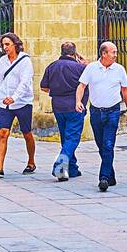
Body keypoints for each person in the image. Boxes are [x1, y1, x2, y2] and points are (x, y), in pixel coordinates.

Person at [75, 41, 127, 192]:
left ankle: (104, 178)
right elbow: (81, 86)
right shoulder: (91, 68)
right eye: (113, 52)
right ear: (104, 54)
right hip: (96, 111)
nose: (115, 54)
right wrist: (78, 101)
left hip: (113, 111)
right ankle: (111, 174)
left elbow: (125, 90)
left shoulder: (119, 69)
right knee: (101, 145)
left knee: (108, 144)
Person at [0, 32, 34, 179]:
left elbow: (25, 82)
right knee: (3, 133)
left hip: (22, 102)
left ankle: (31, 161)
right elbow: (0, 79)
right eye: (3, 45)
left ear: (15, 44)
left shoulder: (25, 60)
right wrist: (0, 96)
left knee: (26, 133)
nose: (5, 47)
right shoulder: (2, 60)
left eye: (7, 44)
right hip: (5, 103)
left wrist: (14, 97)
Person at [40, 41, 87, 181]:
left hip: (58, 106)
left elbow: (44, 87)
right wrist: (85, 62)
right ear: (75, 53)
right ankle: (60, 166)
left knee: (65, 137)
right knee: (73, 137)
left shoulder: (52, 66)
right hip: (75, 106)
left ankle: (72, 168)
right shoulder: (80, 68)